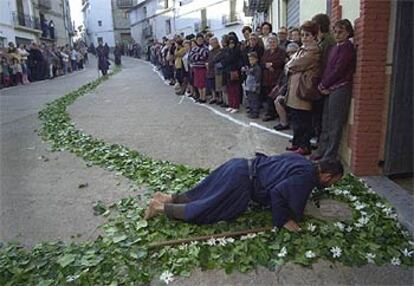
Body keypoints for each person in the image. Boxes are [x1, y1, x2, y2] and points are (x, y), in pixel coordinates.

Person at [144, 153, 344, 232]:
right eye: (334, 181)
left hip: (240, 165)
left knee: (203, 192)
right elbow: (278, 193)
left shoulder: (303, 161)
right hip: (241, 183)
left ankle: (167, 197)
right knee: (207, 209)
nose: (332, 185)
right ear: (327, 175)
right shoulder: (307, 178)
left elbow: (276, 169)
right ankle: (160, 207)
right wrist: (284, 220)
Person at [313, 19, 356, 161]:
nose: (337, 35)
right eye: (335, 31)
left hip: (340, 88)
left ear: (348, 32)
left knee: (335, 124)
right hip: (329, 88)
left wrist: (324, 84)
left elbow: (339, 70)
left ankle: (330, 155)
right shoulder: (334, 47)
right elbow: (328, 68)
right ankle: (322, 149)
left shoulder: (348, 48)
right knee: (326, 121)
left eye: (341, 32)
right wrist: (322, 85)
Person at [285, 21, 321, 156]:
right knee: (296, 118)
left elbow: (294, 64)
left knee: (303, 120)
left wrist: (290, 66)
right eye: (302, 35)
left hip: (304, 90)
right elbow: (290, 64)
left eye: (307, 35)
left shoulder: (313, 50)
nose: (304, 37)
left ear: (314, 36)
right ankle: (297, 143)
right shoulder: (302, 49)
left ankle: (304, 146)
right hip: (295, 89)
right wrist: (290, 65)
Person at [311, 13, 337, 141]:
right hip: (318, 81)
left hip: (323, 82)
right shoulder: (321, 40)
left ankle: (320, 139)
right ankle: (318, 137)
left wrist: (323, 83)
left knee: (321, 115)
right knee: (317, 113)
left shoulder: (328, 41)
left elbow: (327, 63)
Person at [273, 42, 300, 131]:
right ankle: (283, 122)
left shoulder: (299, 63)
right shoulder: (288, 63)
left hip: (297, 91)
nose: (290, 54)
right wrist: (278, 85)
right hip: (287, 89)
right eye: (289, 53)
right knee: (277, 100)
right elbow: (282, 76)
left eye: (293, 52)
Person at [261, 36, 286, 122]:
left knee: (274, 95)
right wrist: (266, 65)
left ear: (277, 42)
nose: (272, 43)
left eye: (274, 42)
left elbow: (281, 61)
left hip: (276, 77)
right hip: (267, 77)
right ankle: (270, 113)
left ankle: (276, 114)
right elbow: (262, 61)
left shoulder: (281, 51)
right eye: (270, 42)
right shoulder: (266, 52)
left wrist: (271, 64)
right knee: (268, 96)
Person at [222, 35, 242, 113]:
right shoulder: (227, 50)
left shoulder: (237, 50)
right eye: (229, 42)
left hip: (234, 72)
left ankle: (236, 106)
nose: (231, 44)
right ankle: (231, 105)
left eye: (233, 42)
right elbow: (224, 60)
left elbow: (232, 59)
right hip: (227, 71)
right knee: (229, 89)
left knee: (235, 90)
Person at [189, 33, 209, 103]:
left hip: (202, 68)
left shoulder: (205, 48)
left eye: (201, 39)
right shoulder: (194, 48)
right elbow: (191, 57)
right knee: (197, 83)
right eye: (198, 40)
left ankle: (204, 98)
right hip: (196, 68)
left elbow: (204, 56)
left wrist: (197, 55)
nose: (200, 41)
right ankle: (200, 97)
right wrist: (199, 55)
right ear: (196, 40)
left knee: (203, 83)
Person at [244, 52, 262, 118]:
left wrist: (256, 86)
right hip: (249, 86)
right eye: (250, 59)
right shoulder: (251, 67)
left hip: (254, 87)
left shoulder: (257, 68)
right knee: (250, 100)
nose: (251, 61)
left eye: (252, 59)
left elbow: (258, 78)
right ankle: (251, 111)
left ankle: (255, 113)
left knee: (254, 100)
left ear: (256, 59)